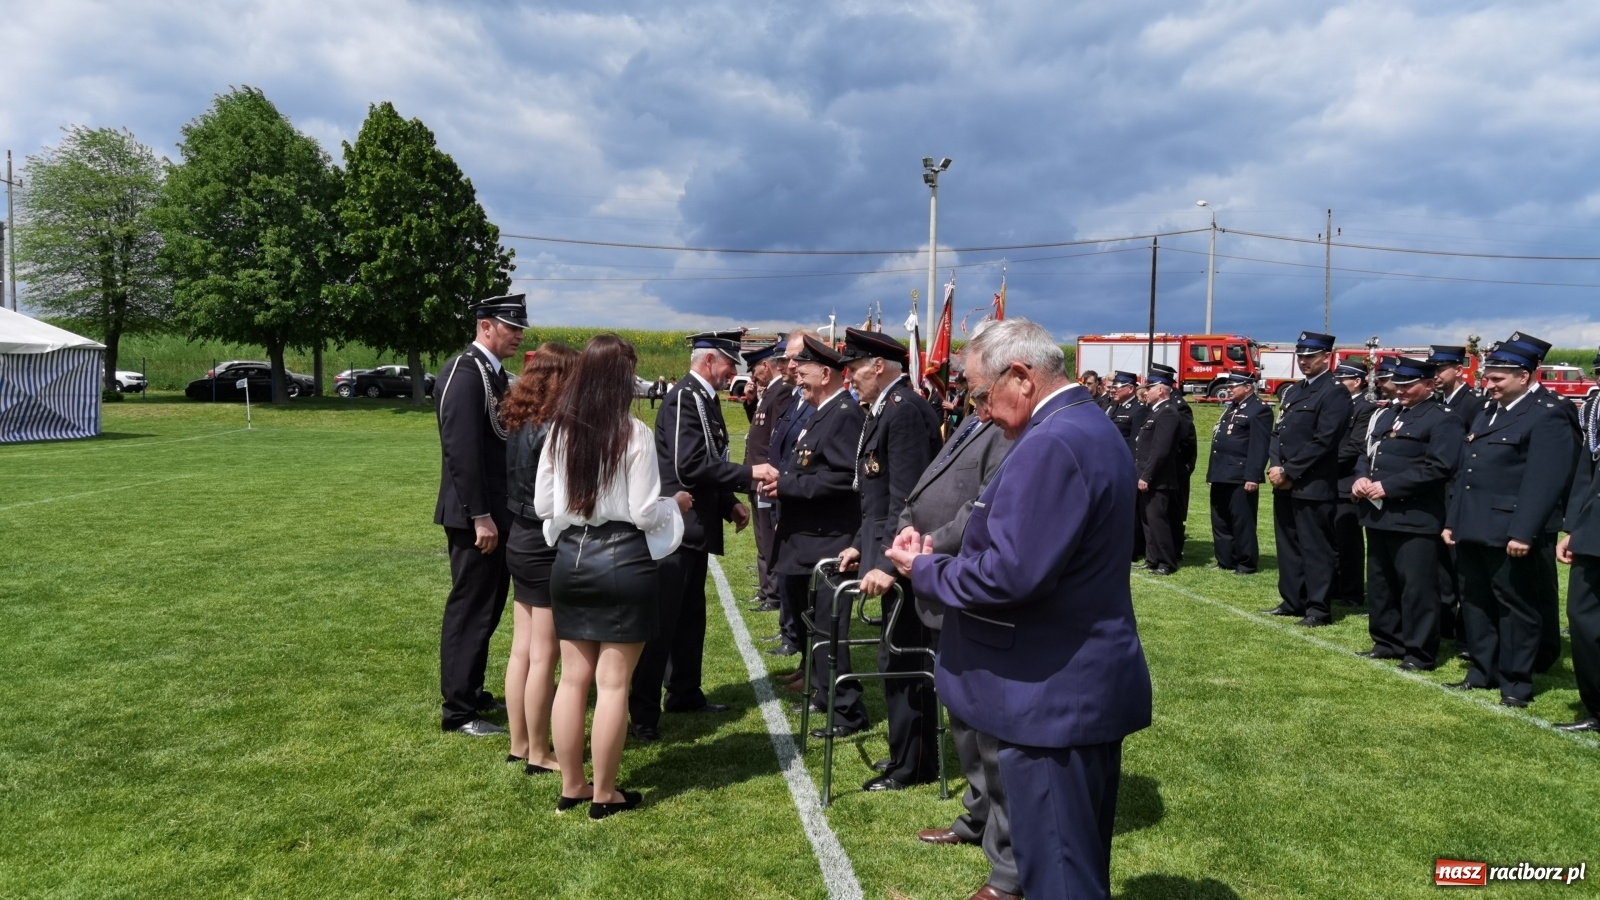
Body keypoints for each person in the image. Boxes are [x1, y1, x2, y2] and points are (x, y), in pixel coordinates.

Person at [886, 318, 1151, 900]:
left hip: (1050, 693)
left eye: (980, 393)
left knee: (1057, 874)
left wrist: (922, 569)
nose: (977, 410)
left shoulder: (1052, 442)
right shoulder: (1082, 424)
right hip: (1069, 683)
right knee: (1067, 865)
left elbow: (1011, 574)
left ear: (1023, 377)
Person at [535, 333, 690, 819]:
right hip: (623, 558)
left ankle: (572, 784)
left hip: (570, 559)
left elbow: (543, 504)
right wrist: (674, 505)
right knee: (615, 682)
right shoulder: (633, 433)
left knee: (572, 678)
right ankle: (604, 793)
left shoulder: (560, 430)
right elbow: (645, 511)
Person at [629, 332, 771, 742]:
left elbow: (712, 458)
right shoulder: (683, 398)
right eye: (730, 364)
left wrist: (729, 504)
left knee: (690, 618)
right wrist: (748, 477)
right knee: (662, 623)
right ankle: (642, 713)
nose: (734, 373)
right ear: (709, 360)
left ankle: (684, 692)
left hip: (696, 525)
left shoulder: (703, 397)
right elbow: (689, 465)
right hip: (676, 525)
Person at [900, 408, 1017, 900]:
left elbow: (980, 508)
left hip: (965, 579)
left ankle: (1008, 862)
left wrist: (927, 546)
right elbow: (925, 488)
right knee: (963, 713)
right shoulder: (973, 420)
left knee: (990, 728)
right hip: (939, 574)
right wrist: (907, 526)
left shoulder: (1013, 429)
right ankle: (977, 814)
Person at [1444, 333, 1577, 707]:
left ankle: (1516, 683)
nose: (1489, 385)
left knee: (1516, 607)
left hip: (1510, 531)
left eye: (1497, 379)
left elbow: (1544, 481)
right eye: (1488, 377)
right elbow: (1466, 474)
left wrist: (1524, 532)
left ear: (1524, 376)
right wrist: (1453, 521)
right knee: (1476, 601)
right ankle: (1482, 671)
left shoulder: (1547, 414)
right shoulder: (1489, 410)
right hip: (1473, 525)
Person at [836, 327, 942, 792]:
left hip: (904, 559)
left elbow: (908, 497)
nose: (850, 379)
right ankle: (905, 753)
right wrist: (863, 542)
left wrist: (885, 560)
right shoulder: (885, 410)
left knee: (904, 658)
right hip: (887, 551)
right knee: (893, 657)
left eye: (855, 369)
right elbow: (875, 499)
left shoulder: (902, 412)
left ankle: (914, 764)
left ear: (878, 366)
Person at [757, 335, 867, 739]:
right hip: (811, 538)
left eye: (803, 372)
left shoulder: (843, 414)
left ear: (826, 373)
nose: (796, 378)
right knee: (819, 627)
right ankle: (824, 692)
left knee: (830, 628)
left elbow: (843, 479)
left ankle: (848, 710)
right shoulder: (823, 410)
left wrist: (787, 485)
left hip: (830, 538)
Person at [433, 293, 527, 736]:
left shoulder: (492, 374)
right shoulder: (465, 371)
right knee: (471, 609)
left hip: (495, 512)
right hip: (478, 516)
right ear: (486, 325)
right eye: (512, 327)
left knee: (486, 609)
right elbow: (461, 449)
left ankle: (469, 689)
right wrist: (480, 516)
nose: (519, 335)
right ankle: (458, 711)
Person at [1350, 357, 1462, 671]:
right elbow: (1368, 452)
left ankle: (1419, 651)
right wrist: (1361, 477)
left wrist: (1390, 486)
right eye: (1398, 385)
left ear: (1430, 384)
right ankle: (1387, 641)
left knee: (1417, 587)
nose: (1401, 391)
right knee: (1381, 581)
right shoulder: (1389, 414)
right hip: (1378, 514)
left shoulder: (1442, 419)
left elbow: (1440, 467)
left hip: (1415, 516)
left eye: (1408, 385)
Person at [502, 341, 578, 773]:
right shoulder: (555, 424)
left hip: (519, 536)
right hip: (543, 541)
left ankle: (520, 742)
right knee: (543, 656)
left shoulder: (519, 415)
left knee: (523, 651)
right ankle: (536, 751)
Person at [1263, 331, 1352, 628]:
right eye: (1300, 357)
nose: (1304, 362)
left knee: (1316, 548)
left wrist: (1290, 471)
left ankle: (1318, 608)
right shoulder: (1293, 391)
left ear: (1326, 357)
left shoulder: (1334, 392)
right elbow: (1278, 433)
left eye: (1310, 357)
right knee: (1288, 546)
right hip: (1285, 482)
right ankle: (1292, 601)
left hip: (1312, 483)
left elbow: (1324, 440)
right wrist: (1276, 467)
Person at [765, 330, 821, 659]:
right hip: (783, 496)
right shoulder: (794, 397)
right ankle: (792, 635)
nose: (789, 363)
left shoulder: (815, 403)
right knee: (787, 576)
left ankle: (798, 642)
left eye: (795, 357)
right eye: (787, 357)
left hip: (799, 500)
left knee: (800, 583)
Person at [1555, 372, 1600, 732]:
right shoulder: (1596, 408)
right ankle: (1597, 707)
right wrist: (1573, 529)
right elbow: (1587, 473)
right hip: (1593, 531)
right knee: (1584, 619)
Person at [1428, 345, 1480, 642]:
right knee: (1441, 568)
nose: (1434, 376)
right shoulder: (1439, 402)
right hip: (1438, 493)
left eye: (1440, 370)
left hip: (1459, 493)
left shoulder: (1472, 404)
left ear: (1458, 370)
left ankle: (1466, 631)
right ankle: (1445, 623)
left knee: (1462, 567)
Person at [742, 338, 793, 615]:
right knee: (761, 538)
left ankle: (772, 593)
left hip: (765, 476)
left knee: (768, 538)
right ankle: (766, 590)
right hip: (757, 475)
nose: (753, 376)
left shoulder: (781, 391)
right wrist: (751, 404)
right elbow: (758, 429)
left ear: (765, 366)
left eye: (754, 369)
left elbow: (776, 438)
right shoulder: (769, 392)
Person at [1206, 371, 1272, 575]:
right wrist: (1211, 473)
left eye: (1234, 386)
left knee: (1242, 521)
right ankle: (1225, 559)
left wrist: (1252, 476)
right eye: (1229, 386)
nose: (1230, 389)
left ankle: (1246, 563)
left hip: (1240, 474)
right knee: (1220, 518)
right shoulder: (1232, 407)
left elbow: (1259, 446)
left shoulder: (1259, 410)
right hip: (1221, 472)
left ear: (1248, 387)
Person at [1334, 360, 1379, 607]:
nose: (1338, 384)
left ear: (1358, 381)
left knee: (1348, 541)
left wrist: (1320, 462)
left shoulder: (1365, 408)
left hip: (1346, 481)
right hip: (1328, 480)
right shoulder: (1335, 405)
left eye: (1343, 379)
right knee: (1329, 539)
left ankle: (1351, 592)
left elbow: (1355, 446)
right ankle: (1332, 586)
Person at [1134, 363, 1184, 575]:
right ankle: (1152, 558)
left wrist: (1147, 475)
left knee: (1157, 520)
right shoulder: (1155, 412)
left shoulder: (1168, 413)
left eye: (1151, 387)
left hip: (1158, 478)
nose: (1146, 391)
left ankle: (1166, 562)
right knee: (1147, 520)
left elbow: (1161, 450)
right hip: (1147, 475)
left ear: (1162, 389)